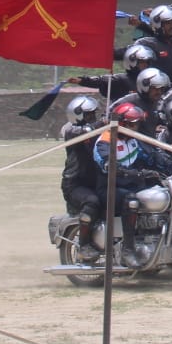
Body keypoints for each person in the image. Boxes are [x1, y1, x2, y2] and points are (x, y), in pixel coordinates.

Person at [92, 102, 172, 267]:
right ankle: (127, 250)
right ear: (121, 123)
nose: (135, 127)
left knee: (163, 195)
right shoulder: (105, 140)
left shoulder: (133, 141)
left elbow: (150, 156)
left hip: (131, 184)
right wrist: (124, 170)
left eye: (136, 123)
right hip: (110, 188)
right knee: (131, 201)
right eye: (131, 124)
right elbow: (106, 162)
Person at [60, 95, 104, 251]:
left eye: (94, 114)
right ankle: (84, 244)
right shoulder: (70, 130)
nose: (93, 118)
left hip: (95, 181)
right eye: (89, 115)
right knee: (92, 202)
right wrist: (104, 122)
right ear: (77, 114)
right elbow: (85, 131)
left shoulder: (98, 131)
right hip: (75, 184)